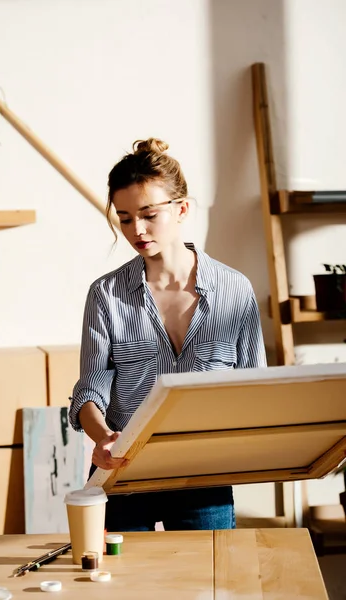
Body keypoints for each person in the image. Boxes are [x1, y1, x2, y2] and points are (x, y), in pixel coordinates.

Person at [69, 137, 267, 532]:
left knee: (207, 589)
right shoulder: (106, 294)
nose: (136, 230)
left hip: (204, 476)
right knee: (125, 590)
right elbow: (90, 391)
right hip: (124, 471)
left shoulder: (235, 290)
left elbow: (256, 390)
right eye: (124, 218)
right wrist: (104, 437)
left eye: (148, 214)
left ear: (182, 209)